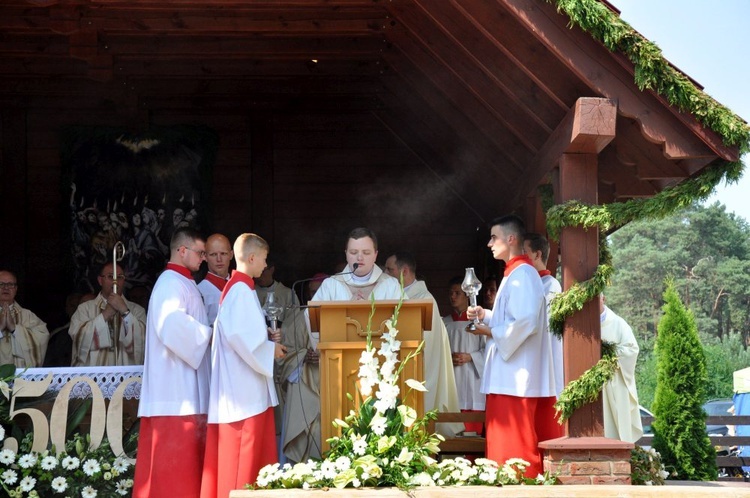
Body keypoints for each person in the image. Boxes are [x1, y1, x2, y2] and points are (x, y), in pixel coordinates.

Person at [281, 227, 401, 462]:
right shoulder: (331, 286)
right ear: (346, 254)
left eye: (366, 252)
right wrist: (319, 346)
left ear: (376, 254)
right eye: (354, 252)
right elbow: (312, 318)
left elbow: (403, 323)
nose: (360, 258)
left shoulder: (391, 286)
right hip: (338, 370)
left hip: (379, 371)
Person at [466, 215, 560, 477]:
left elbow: (526, 321)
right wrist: (486, 315)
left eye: (494, 237)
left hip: (517, 375)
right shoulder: (514, 273)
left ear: (511, 238)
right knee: (503, 442)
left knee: (514, 443)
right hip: (509, 373)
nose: (489, 243)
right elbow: (513, 317)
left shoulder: (524, 274)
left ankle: (521, 486)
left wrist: (491, 330)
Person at [200, 233, 287, 498]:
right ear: (251, 257)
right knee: (243, 460)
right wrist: (271, 350)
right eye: (263, 258)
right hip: (242, 394)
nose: (265, 264)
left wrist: (267, 337)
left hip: (247, 389)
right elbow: (240, 336)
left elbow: (245, 332)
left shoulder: (241, 287)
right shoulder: (239, 289)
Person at [133, 228, 213, 498]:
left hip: (186, 388)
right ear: (182, 251)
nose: (204, 258)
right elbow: (171, 326)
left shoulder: (184, 282)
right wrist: (210, 334)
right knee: (173, 476)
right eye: (200, 253)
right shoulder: (169, 283)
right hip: (174, 393)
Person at [384, 252, 462, 437]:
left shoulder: (420, 299)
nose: (385, 274)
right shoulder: (407, 295)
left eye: (389, 269)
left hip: (420, 373)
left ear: (404, 271)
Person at [69, 263, 147, 366]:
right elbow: (79, 338)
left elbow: (143, 341)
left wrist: (124, 311)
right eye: (111, 277)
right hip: (93, 376)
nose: (115, 282)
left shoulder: (137, 310)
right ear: (100, 280)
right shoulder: (85, 309)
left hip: (125, 375)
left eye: (119, 277)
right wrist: (105, 314)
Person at [442, 276, 485, 435]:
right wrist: (447, 357)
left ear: (467, 295)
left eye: (457, 293)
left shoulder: (480, 323)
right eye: (450, 293)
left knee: (472, 432)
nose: (452, 296)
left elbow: (488, 350)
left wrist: (471, 357)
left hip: (473, 379)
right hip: (453, 379)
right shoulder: (444, 323)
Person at [523, 232, 564, 397]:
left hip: (545, 364)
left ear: (537, 254)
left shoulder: (550, 286)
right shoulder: (532, 284)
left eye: (524, 252)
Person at [599, 294, 643, 443]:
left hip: (614, 382)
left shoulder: (618, 324)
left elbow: (632, 350)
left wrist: (609, 351)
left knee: (616, 430)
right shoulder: (583, 325)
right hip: (593, 386)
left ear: (603, 299)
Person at [0, 270, 49, 367]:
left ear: (16, 289)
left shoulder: (28, 316)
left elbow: (42, 338)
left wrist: (14, 329)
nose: (6, 288)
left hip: (20, 377)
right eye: (1, 284)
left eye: (10, 284)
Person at [197, 233, 234, 325]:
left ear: (231, 255)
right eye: (213, 254)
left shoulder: (239, 286)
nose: (219, 259)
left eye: (223, 253)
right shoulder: (200, 291)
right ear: (205, 256)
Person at [43, 292, 83, 367]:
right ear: (67, 308)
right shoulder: (57, 335)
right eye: (72, 306)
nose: (75, 309)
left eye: (78, 306)